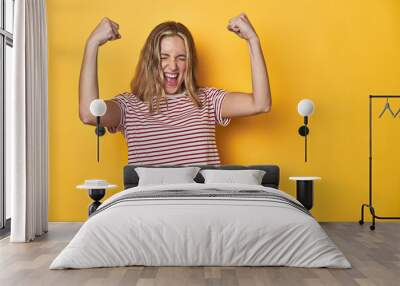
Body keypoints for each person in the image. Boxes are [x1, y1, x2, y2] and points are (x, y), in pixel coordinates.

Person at [79, 13, 271, 165]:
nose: (173, 67)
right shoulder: (129, 106)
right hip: (151, 211)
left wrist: (253, 40)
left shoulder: (208, 100)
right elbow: (89, 114)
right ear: (150, 61)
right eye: (164, 57)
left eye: (181, 57)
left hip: (202, 209)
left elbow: (260, 104)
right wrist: (92, 44)